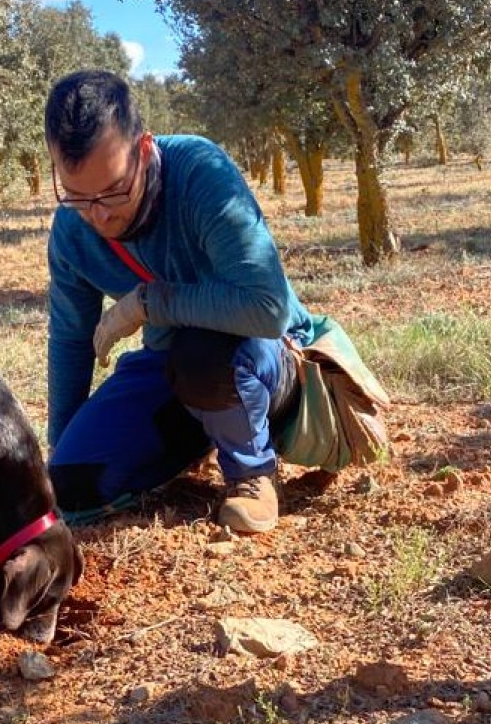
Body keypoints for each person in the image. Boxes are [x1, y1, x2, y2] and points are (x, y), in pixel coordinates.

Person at [43, 68, 318, 534]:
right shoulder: (73, 232)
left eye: (113, 190)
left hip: (263, 356)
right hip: (170, 367)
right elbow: (70, 341)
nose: (99, 214)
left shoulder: (199, 172)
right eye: (77, 197)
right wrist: (59, 452)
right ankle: (205, 433)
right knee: (70, 484)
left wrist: (150, 303)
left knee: (202, 356)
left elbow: (267, 309)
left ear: (144, 149)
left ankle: (252, 474)